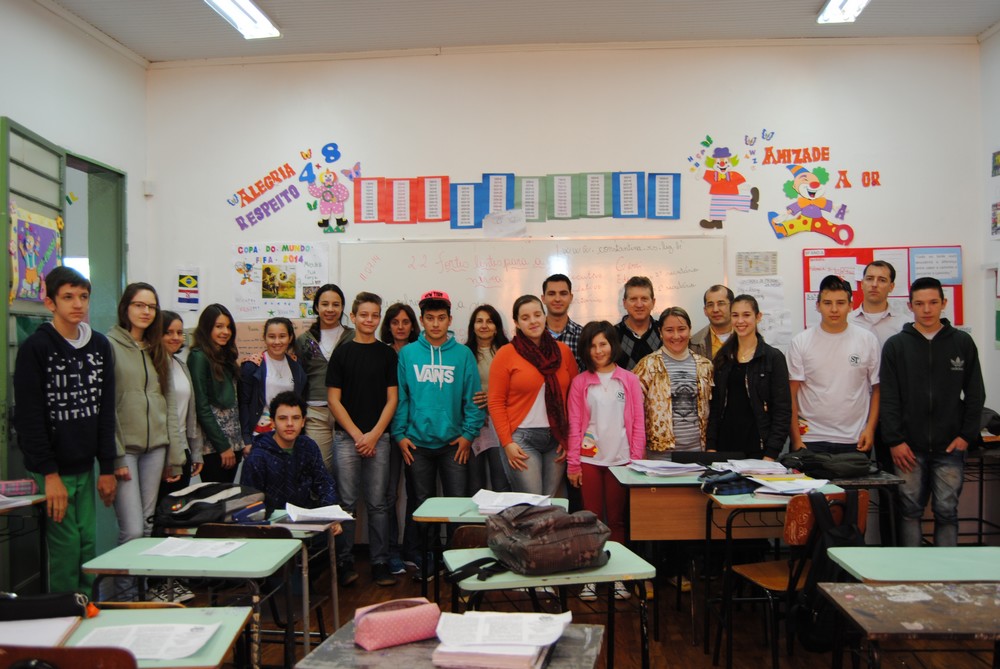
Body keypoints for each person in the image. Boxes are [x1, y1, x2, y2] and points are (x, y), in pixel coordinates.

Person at [13, 267, 117, 593]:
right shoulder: (36, 348)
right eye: (68, 297)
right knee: (65, 546)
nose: (78, 304)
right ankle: (63, 618)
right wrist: (50, 473)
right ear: (50, 303)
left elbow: (104, 412)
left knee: (88, 544)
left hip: (86, 466)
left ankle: (85, 609)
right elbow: (29, 418)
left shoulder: (99, 346)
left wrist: (108, 468)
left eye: (83, 297)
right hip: (52, 470)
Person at [880, 277, 985, 547]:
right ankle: (912, 576)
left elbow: (975, 394)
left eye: (933, 303)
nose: (926, 309)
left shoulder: (962, 342)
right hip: (907, 449)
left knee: (947, 512)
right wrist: (895, 440)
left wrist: (966, 436)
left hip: (950, 447)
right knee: (909, 512)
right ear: (910, 306)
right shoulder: (896, 345)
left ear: (943, 304)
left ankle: (944, 577)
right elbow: (888, 397)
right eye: (920, 304)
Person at [391, 290, 484, 573]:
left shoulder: (463, 355)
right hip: (416, 443)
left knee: (457, 502)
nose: (435, 324)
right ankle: (421, 556)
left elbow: (473, 398)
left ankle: (456, 558)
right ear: (421, 320)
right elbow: (401, 397)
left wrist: (468, 435)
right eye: (429, 318)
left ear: (450, 320)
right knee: (420, 502)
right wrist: (400, 435)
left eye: (441, 318)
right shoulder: (408, 354)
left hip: (454, 444)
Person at [107, 283, 185, 598]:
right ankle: (123, 598)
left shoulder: (156, 350)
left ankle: (140, 595)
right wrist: (112, 454)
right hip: (124, 450)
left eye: (151, 307)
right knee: (133, 530)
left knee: (149, 528)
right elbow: (106, 407)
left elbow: (167, 405)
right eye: (139, 305)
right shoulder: (108, 345)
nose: (145, 312)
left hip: (157, 451)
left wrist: (175, 455)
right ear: (126, 307)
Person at [566, 321, 645, 601]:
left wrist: (636, 463)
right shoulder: (580, 382)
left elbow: (638, 425)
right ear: (586, 350)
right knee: (591, 520)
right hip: (590, 462)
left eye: (603, 343)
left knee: (618, 522)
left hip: (621, 462)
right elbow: (575, 426)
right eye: (592, 345)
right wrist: (573, 464)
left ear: (613, 345)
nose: (598, 350)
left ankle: (618, 578)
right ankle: (591, 578)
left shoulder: (629, 379)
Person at [327, 292, 399, 588]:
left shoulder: (387, 354)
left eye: (375, 315)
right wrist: (359, 435)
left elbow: (392, 399)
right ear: (353, 317)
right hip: (347, 438)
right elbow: (333, 399)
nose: (370, 320)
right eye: (364, 315)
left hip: (379, 439)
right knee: (345, 502)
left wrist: (374, 435)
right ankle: (344, 562)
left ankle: (380, 562)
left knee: (378, 503)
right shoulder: (342, 353)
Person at [488, 295, 577, 495]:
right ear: (517, 323)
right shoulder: (506, 354)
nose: (533, 321)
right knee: (532, 502)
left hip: (556, 437)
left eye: (537, 315)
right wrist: (507, 443)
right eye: (525, 317)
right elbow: (495, 402)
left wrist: (568, 437)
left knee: (550, 500)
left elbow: (573, 397)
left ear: (544, 316)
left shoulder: (563, 352)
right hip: (521, 438)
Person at [788, 275, 881, 455]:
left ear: (850, 305)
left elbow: (877, 388)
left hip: (854, 438)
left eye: (840, 303)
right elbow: (791, 394)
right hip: (811, 439)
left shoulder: (867, 340)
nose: (834, 309)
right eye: (827, 303)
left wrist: (870, 429)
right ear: (818, 305)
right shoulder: (801, 342)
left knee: (857, 484)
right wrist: (796, 439)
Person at [150, 310, 203, 603]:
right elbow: (161, 416)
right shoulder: (154, 367)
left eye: (179, 332)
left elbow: (189, 413)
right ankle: (157, 583)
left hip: (182, 452)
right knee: (160, 519)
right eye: (169, 332)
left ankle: (172, 580)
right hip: (161, 454)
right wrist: (169, 458)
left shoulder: (179, 365)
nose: (175, 337)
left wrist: (194, 451)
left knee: (177, 518)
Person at [706, 295, 791, 460]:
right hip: (725, 446)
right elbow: (715, 406)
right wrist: (711, 446)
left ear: (758, 317)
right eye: (735, 315)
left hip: (759, 448)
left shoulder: (773, 357)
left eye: (746, 315)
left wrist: (771, 452)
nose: (740, 321)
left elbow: (782, 410)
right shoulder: (723, 357)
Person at [240, 391, 342, 518]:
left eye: (296, 418)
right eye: (283, 418)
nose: (289, 423)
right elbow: (249, 504)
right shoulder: (257, 457)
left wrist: (329, 512)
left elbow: (325, 483)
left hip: (306, 519)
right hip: (271, 524)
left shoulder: (308, 446)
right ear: (272, 422)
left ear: (303, 421)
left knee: (337, 532)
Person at [633, 307, 713, 457]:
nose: (676, 336)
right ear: (660, 333)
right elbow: (634, 413)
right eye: (669, 330)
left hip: (698, 453)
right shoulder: (647, 365)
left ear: (690, 330)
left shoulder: (705, 366)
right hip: (659, 456)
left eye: (681, 329)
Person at [379, 302, 420, 576]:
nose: (401, 327)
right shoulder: (382, 353)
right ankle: (391, 551)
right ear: (388, 326)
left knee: (417, 493)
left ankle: (413, 550)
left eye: (406, 322)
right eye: (395, 322)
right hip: (386, 431)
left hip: (416, 432)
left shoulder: (422, 353)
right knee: (389, 493)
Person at [296, 284, 355, 472]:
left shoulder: (353, 337)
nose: (330, 309)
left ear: (342, 308)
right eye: (325, 304)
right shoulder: (304, 340)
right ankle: (323, 503)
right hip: (316, 413)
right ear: (316, 307)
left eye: (336, 305)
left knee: (347, 471)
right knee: (320, 468)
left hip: (348, 412)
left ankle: (344, 503)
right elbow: (296, 374)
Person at [188, 303, 243, 482]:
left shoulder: (224, 356)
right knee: (215, 503)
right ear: (206, 328)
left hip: (234, 442)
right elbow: (201, 407)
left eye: (228, 327)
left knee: (228, 499)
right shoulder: (199, 357)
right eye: (219, 326)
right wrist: (223, 447)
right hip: (215, 447)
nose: (225, 332)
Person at [238, 317, 307, 448]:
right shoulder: (253, 365)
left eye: (282, 336)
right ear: (264, 338)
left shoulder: (296, 365)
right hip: (259, 433)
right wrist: (246, 439)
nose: (277, 342)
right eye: (271, 336)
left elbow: (300, 401)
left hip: (289, 433)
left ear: (290, 338)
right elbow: (244, 404)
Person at [464, 304, 511, 495]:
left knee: (501, 482)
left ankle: (503, 525)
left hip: (500, 425)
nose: (484, 326)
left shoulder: (507, 352)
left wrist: (492, 396)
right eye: (479, 321)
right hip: (471, 426)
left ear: (497, 326)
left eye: (490, 321)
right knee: (475, 485)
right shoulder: (464, 353)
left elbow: (516, 387)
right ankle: (476, 526)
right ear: (472, 326)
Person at [850, 261, 904, 347]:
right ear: (862, 284)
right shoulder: (847, 321)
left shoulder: (903, 325)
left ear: (891, 287)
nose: (874, 284)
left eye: (882, 280)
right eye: (869, 279)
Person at [614, 276, 661, 370]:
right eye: (633, 299)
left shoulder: (664, 332)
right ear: (624, 303)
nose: (639, 305)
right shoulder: (611, 335)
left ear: (653, 302)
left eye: (644, 299)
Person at [541, 274, 583, 371]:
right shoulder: (533, 335)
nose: (557, 299)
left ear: (571, 297)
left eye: (563, 293)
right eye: (551, 294)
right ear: (543, 298)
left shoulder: (583, 335)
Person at [690, 285, 734, 360]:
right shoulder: (694, 343)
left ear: (733, 306)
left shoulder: (747, 338)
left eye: (721, 303)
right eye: (710, 305)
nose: (715, 309)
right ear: (705, 310)